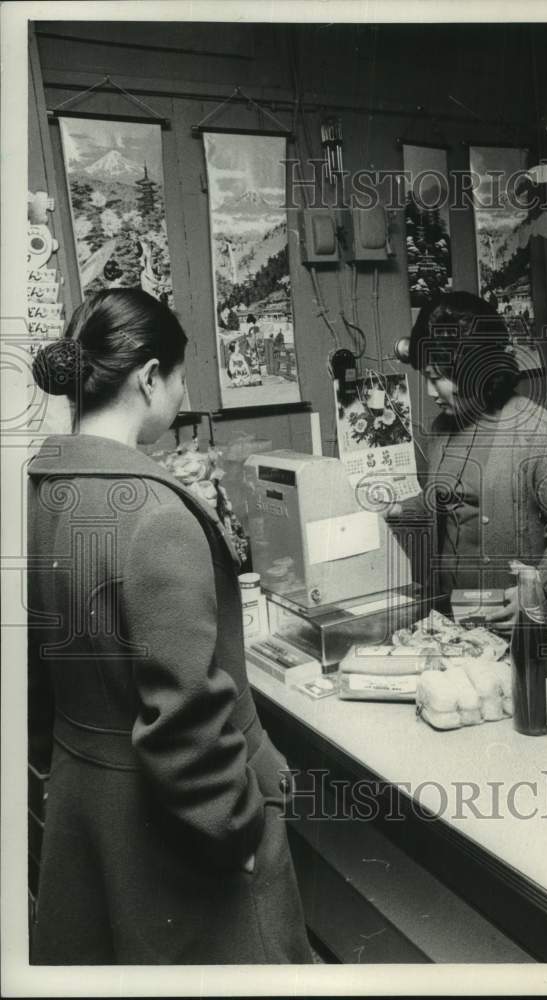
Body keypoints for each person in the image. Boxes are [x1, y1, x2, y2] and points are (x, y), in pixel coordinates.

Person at [27, 288, 312, 965]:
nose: (180, 398)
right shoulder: (155, 515)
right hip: (173, 826)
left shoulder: (34, 492)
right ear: (150, 377)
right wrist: (235, 830)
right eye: (180, 379)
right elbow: (184, 717)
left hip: (82, 805)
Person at [401, 291, 547, 628]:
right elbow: (445, 500)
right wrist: (393, 509)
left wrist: (537, 589)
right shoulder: (441, 429)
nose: (430, 393)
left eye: (436, 377)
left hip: (514, 622)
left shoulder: (538, 430)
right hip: (453, 617)